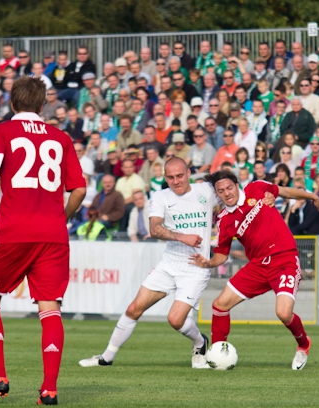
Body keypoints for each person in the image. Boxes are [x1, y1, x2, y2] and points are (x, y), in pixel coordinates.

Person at [0, 77, 87, 406]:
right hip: (53, 235)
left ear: (12, 104)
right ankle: (49, 389)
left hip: (14, 230)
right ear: (43, 105)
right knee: (50, 307)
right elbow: (80, 190)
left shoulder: (2, 132)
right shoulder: (61, 138)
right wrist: (63, 217)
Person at [81, 158, 243, 369]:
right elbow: (155, 229)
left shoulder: (206, 191)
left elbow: (236, 193)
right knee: (133, 309)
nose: (176, 181)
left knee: (175, 320)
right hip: (169, 263)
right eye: (171, 177)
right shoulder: (161, 196)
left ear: (188, 173)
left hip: (196, 268)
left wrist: (266, 197)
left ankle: (200, 342)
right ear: (165, 177)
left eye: (180, 176)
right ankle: (106, 358)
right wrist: (182, 237)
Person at [190, 172, 319, 370]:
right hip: (258, 266)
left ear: (237, 185)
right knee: (220, 305)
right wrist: (208, 263)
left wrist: (312, 196)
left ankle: (304, 344)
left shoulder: (257, 188)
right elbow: (221, 255)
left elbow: (285, 191)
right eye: (221, 191)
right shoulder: (225, 220)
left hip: (284, 259)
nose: (226, 193)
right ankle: (219, 354)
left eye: (229, 187)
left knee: (283, 312)